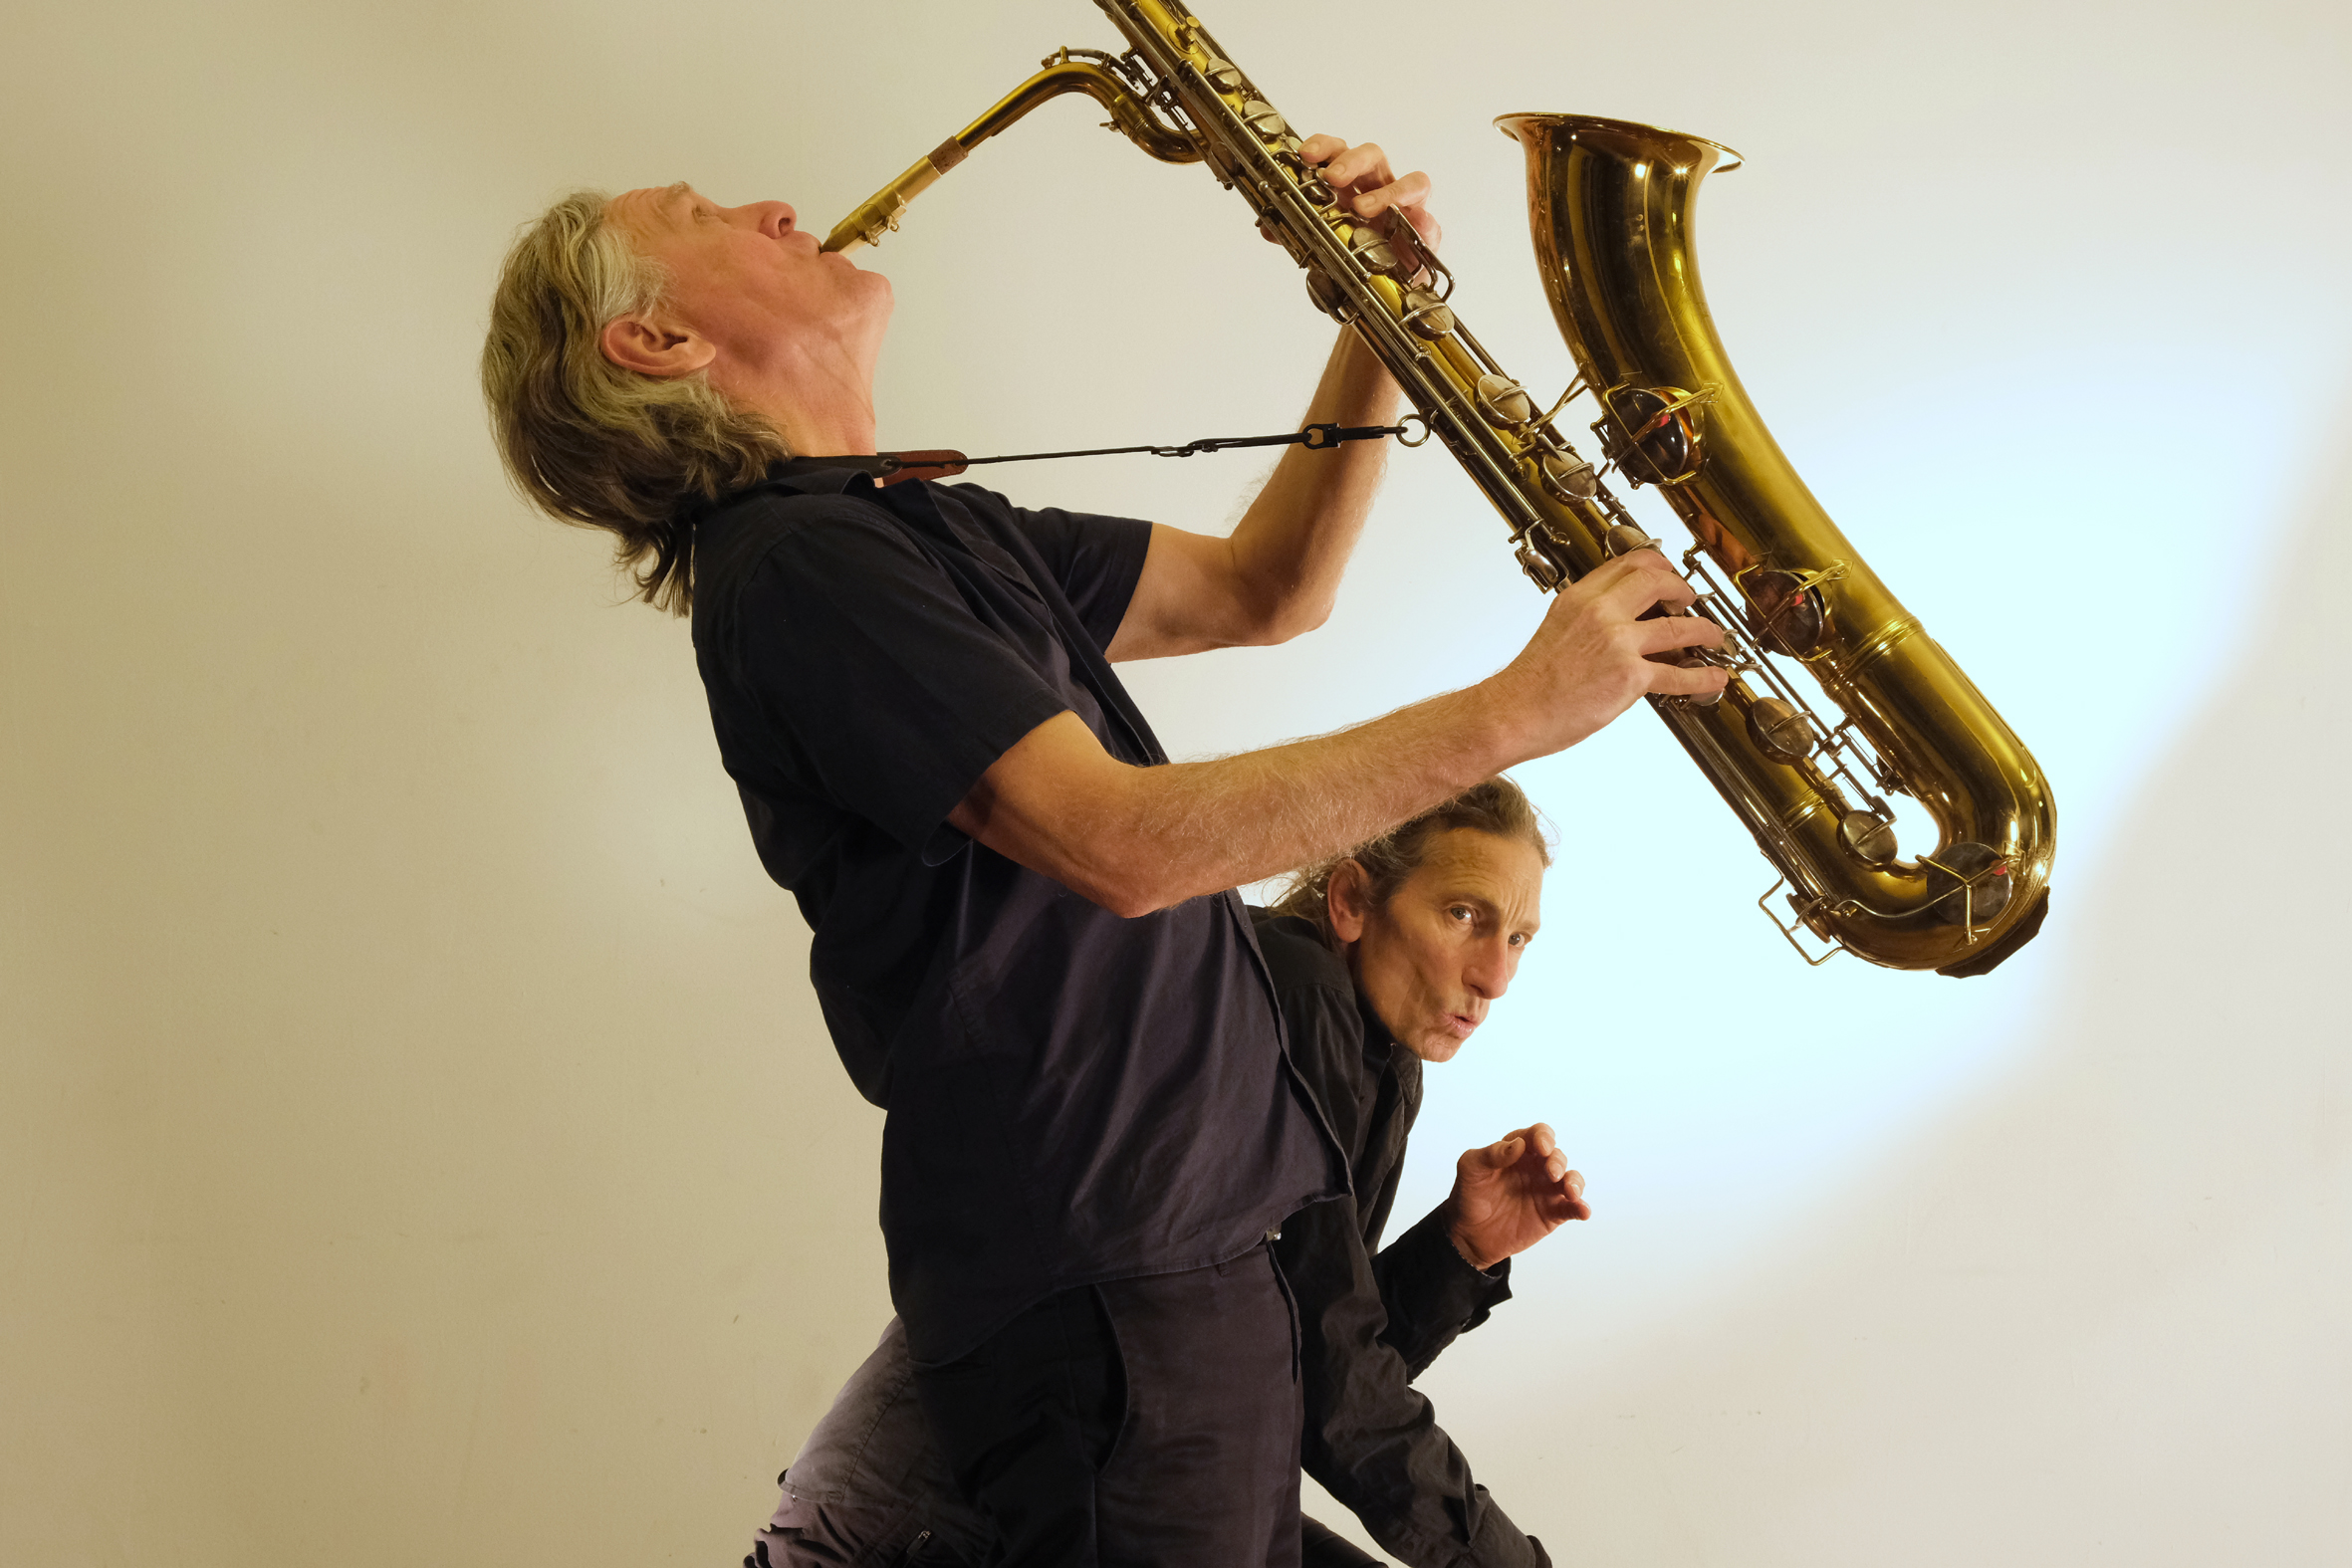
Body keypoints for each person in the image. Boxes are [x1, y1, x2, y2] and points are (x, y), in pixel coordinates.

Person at [480, 135, 1724, 1568]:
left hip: (1169, 1255)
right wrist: (1513, 711)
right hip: (1112, 1267)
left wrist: (1374, 312)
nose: (775, 206)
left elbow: (1269, 587)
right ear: (658, 342)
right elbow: (1120, 844)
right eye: (706, 217)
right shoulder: (802, 567)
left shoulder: (925, 531)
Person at [751, 779, 1588, 1568]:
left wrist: (1459, 1250)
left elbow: (1297, 1371)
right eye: (1464, 914)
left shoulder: (1383, 1060)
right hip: (932, 1515)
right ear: (1351, 901)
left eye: (1518, 937)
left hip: (1067, 1485)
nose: (1495, 975)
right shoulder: (1289, 993)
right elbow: (1338, 1390)